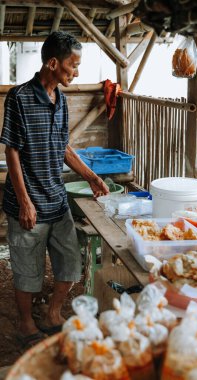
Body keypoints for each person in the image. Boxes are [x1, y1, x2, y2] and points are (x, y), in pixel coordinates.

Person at [0, 31, 109, 347]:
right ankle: (23, 323)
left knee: (70, 265)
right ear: (52, 62)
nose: (76, 73)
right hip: (29, 204)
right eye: (72, 66)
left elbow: (64, 146)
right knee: (27, 272)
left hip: (57, 200)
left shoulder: (60, 99)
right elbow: (12, 152)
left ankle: (52, 313)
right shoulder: (19, 98)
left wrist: (91, 176)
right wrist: (24, 202)